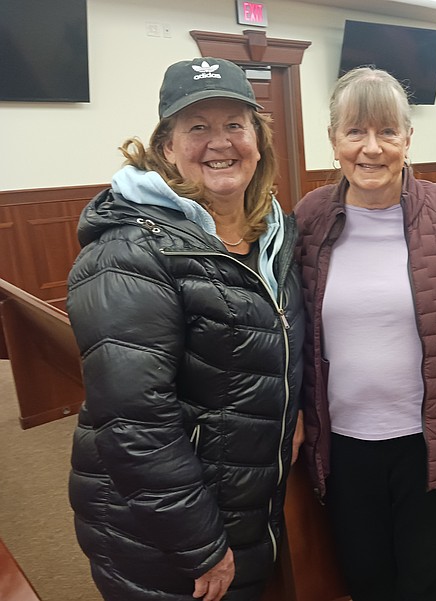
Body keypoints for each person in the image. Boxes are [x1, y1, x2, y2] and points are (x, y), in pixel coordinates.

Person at [66, 57, 304, 601]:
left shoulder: (270, 230)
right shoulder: (127, 252)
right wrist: (197, 542)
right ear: (166, 147)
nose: (219, 142)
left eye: (234, 125)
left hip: (240, 497)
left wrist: (297, 412)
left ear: (258, 140)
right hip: (161, 528)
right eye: (197, 127)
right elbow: (134, 421)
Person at [294, 66, 436, 601]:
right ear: (334, 141)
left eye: (387, 132)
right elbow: (290, 330)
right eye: (355, 132)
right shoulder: (308, 220)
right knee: (365, 575)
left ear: (409, 139)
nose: (372, 148)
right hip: (342, 441)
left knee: (423, 578)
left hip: (428, 439)